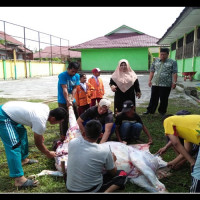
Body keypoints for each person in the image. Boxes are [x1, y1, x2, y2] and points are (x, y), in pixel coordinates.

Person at [0, 101, 67, 189]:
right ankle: (19, 180)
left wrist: (39, 133)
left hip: (11, 112)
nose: (58, 124)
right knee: (14, 145)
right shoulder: (41, 120)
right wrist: (48, 153)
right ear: (53, 119)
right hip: (4, 116)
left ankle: (23, 159)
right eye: (59, 122)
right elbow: (38, 143)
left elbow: (32, 119)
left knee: (22, 134)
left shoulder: (45, 109)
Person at [66, 119, 127, 193]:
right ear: (101, 135)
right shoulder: (104, 150)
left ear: (84, 133)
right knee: (122, 174)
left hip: (70, 189)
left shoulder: (72, 142)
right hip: (90, 190)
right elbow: (113, 173)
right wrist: (113, 160)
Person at [161, 114, 200, 192]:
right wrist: (173, 162)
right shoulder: (186, 128)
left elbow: (175, 143)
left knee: (197, 171)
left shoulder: (167, 121)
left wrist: (192, 161)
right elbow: (187, 149)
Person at [143, 48, 178, 116]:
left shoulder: (173, 62)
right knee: (153, 97)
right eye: (161, 54)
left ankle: (162, 111)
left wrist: (174, 82)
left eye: (164, 54)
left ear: (168, 54)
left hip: (166, 84)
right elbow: (152, 71)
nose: (162, 56)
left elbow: (174, 73)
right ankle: (150, 110)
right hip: (155, 83)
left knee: (164, 98)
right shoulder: (155, 61)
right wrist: (150, 80)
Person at [57, 61, 80, 140]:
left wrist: (72, 98)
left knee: (76, 116)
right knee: (63, 119)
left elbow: (75, 88)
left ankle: (76, 132)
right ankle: (63, 136)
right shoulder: (62, 75)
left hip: (71, 99)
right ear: (68, 69)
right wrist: (67, 100)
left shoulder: (77, 76)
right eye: (72, 71)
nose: (74, 73)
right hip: (63, 100)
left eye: (76, 71)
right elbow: (65, 88)